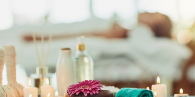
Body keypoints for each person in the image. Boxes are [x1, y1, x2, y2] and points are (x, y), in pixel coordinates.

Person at [23, 12, 172, 41]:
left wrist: (39, 38)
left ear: (152, 26)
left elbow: (88, 34)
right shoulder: (129, 29)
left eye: (152, 15)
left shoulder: (128, 33)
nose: (147, 12)